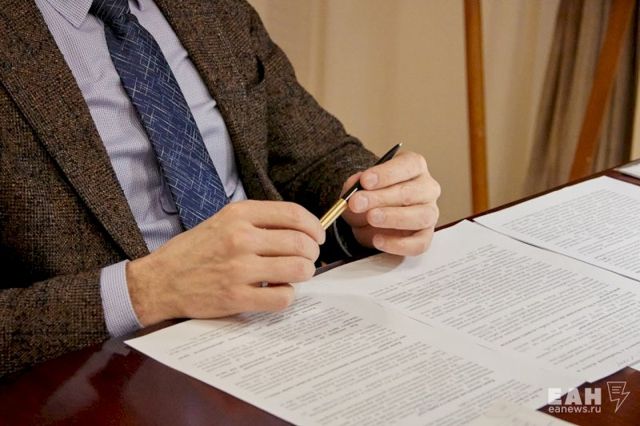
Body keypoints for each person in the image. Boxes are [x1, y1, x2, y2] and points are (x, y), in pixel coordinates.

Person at [0, 0, 440, 377]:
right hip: (106, 374)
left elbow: (314, 154)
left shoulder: (212, 8)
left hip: (288, 321)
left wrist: (371, 205)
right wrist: (146, 291)